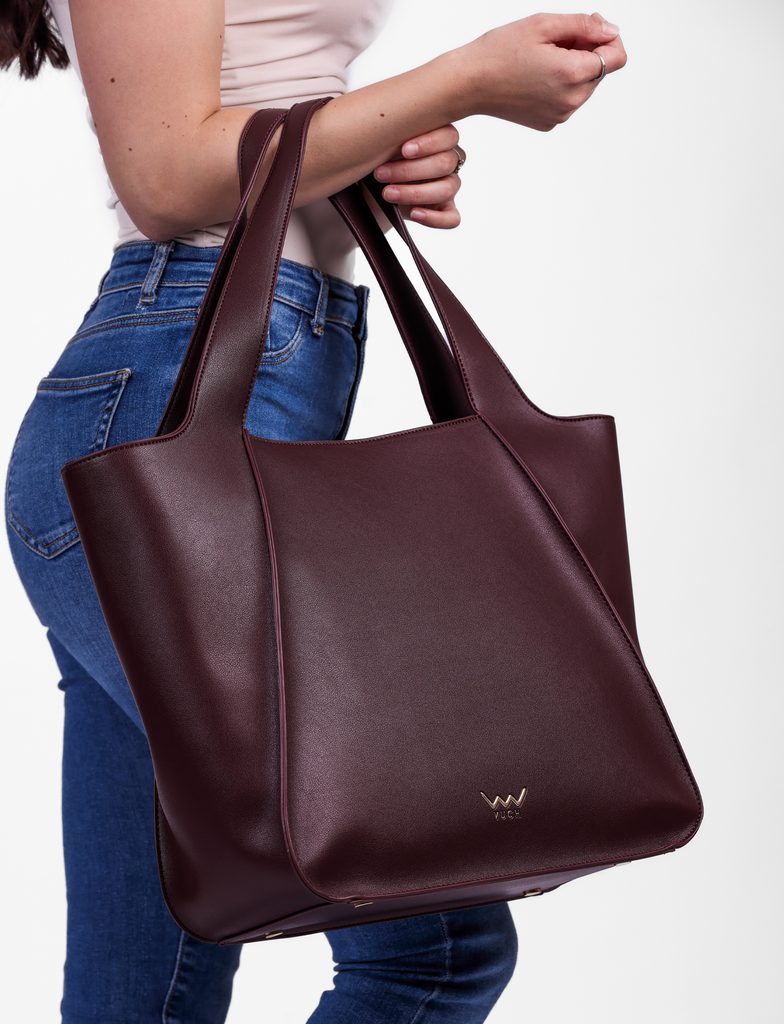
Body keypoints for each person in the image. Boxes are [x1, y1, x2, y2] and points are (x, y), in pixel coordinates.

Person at [1, 2, 626, 1021]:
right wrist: (462, 80)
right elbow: (166, 176)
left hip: (196, 404)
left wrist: (381, 141)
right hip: (165, 419)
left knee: (141, 997)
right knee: (435, 945)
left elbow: (252, 111)